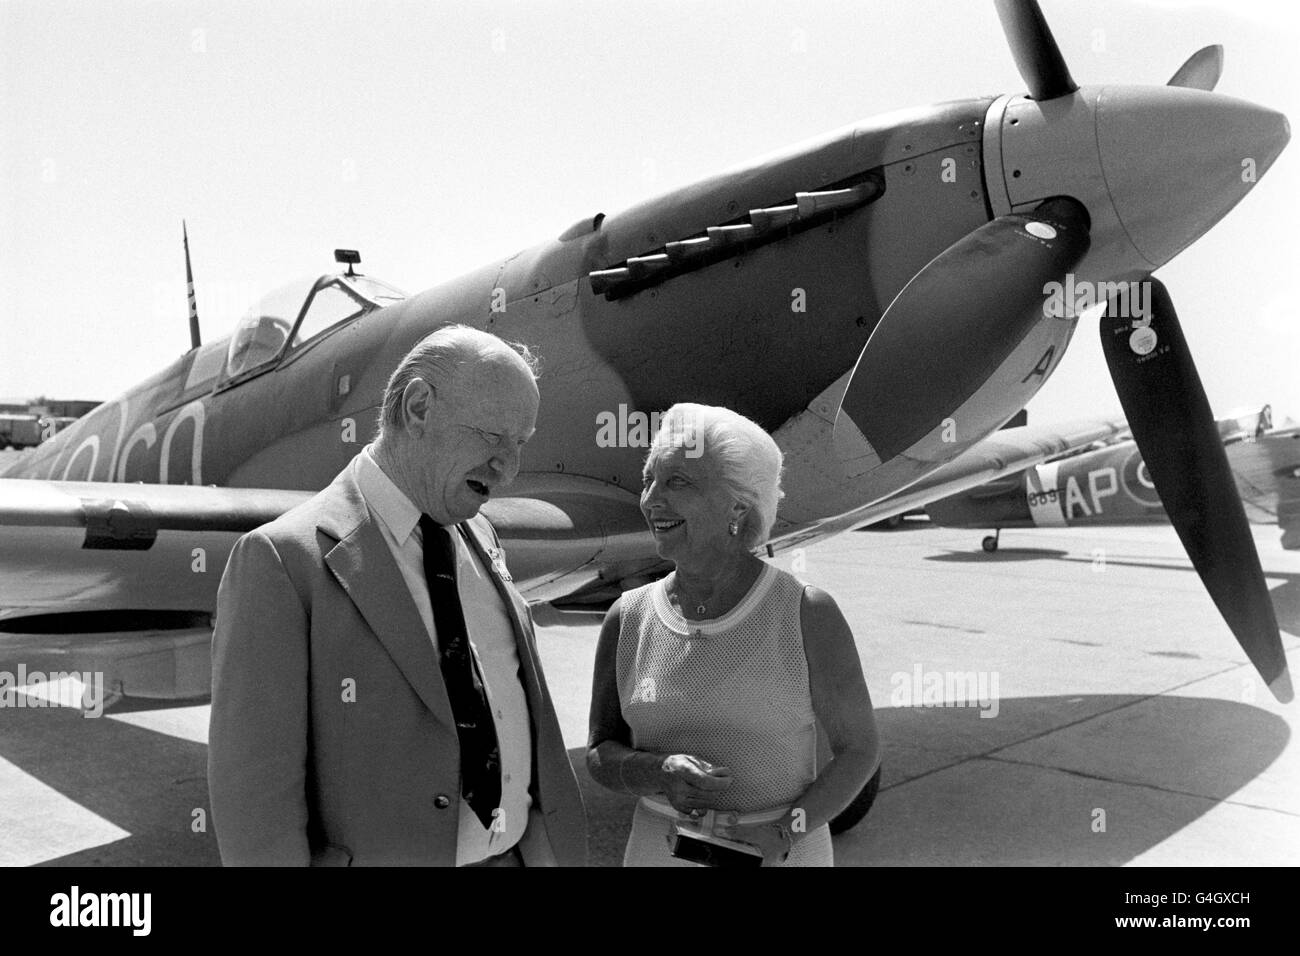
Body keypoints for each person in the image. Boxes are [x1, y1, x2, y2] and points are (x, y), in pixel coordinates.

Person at [208, 324, 586, 866]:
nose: (510, 468)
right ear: (418, 408)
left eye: (520, 444)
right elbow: (255, 805)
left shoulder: (482, 536)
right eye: (492, 437)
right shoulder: (279, 560)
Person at [587, 403, 879, 866]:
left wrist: (786, 831)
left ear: (738, 506)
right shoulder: (628, 616)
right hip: (658, 853)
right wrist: (654, 771)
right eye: (649, 480)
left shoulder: (806, 612)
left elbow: (860, 750)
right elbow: (600, 754)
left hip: (779, 855)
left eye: (677, 482)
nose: (650, 500)